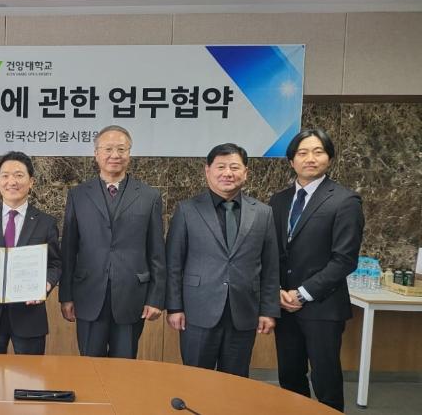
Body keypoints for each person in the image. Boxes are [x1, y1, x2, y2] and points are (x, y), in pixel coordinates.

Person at [165, 143, 280, 377]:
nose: (228, 173)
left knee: (235, 381)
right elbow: (174, 263)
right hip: (198, 311)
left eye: (234, 167)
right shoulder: (187, 210)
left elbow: (270, 267)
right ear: (207, 170)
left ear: (245, 172)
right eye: (221, 167)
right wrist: (174, 307)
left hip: (243, 312)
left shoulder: (263, 213)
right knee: (195, 378)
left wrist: (268, 310)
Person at [269, 129, 364, 412]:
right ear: (291, 161)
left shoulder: (345, 201)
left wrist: (302, 293)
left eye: (318, 151)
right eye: (302, 153)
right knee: (289, 375)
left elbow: (344, 259)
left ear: (329, 158)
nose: (310, 158)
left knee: (325, 378)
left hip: (322, 306)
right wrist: (277, 291)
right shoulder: (278, 200)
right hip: (283, 305)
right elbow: (271, 251)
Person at [60, 125, 166, 358]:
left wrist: (156, 298)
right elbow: (68, 249)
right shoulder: (78, 195)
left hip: (132, 296)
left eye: (121, 149)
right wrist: (65, 296)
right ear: (96, 154)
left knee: (125, 367)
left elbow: (156, 251)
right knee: (90, 365)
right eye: (108, 149)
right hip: (88, 294)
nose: (114, 155)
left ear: (129, 154)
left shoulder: (149, 196)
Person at [0, 151, 62, 355]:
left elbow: (55, 264)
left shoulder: (46, 223)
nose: (12, 182)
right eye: (5, 175)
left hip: (29, 315)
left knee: (30, 373)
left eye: (19, 175)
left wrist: (46, 284)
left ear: (31, 181)